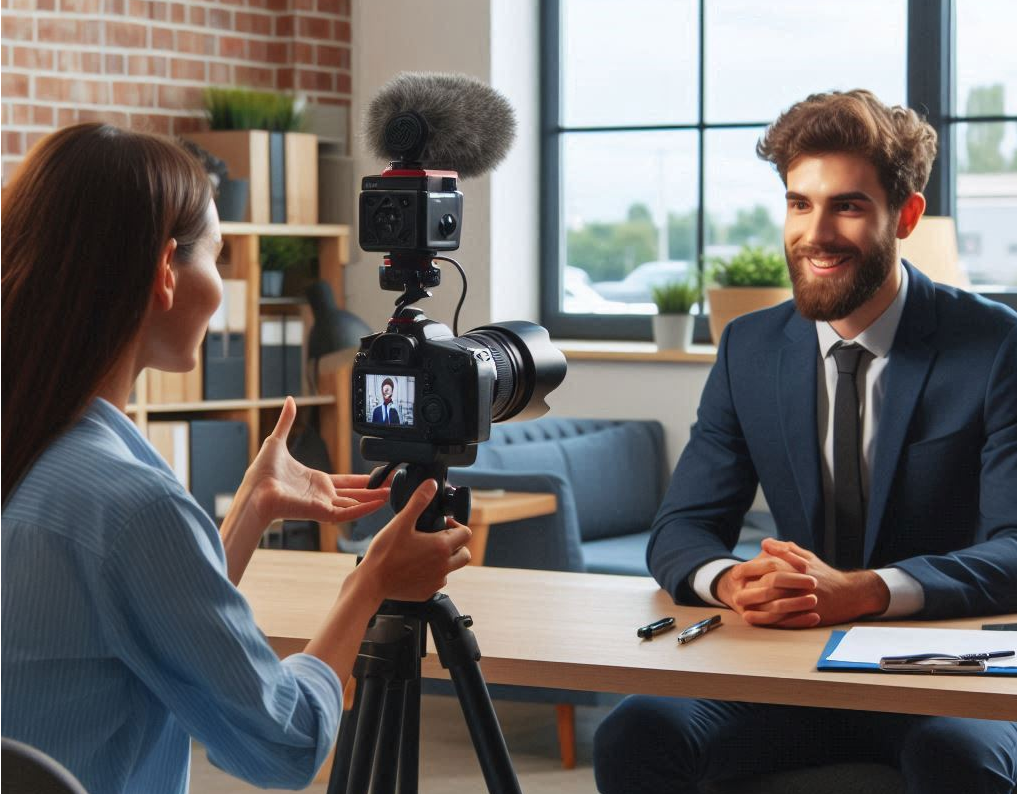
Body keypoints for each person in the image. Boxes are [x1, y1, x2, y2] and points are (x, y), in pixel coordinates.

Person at [0, 123, 473, 794]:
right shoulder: (133, 507)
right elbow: (282, 746)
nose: (222, 288)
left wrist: (249, 511)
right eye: (217, 259)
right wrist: (371, 586)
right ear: (166, 271)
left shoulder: (37, 454)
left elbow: (146, 623)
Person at [593, 90, 1017, 793]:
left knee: (958, 758)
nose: (814, 233)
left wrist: (865, 592)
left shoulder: (995, 346)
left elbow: (1013, 545)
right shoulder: (748, 347)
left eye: (846, 206)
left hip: (942, 663)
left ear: (903, 215)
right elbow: (682, 528)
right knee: (638, 732)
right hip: (784, 662)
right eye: (798, 203)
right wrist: (731, 581)